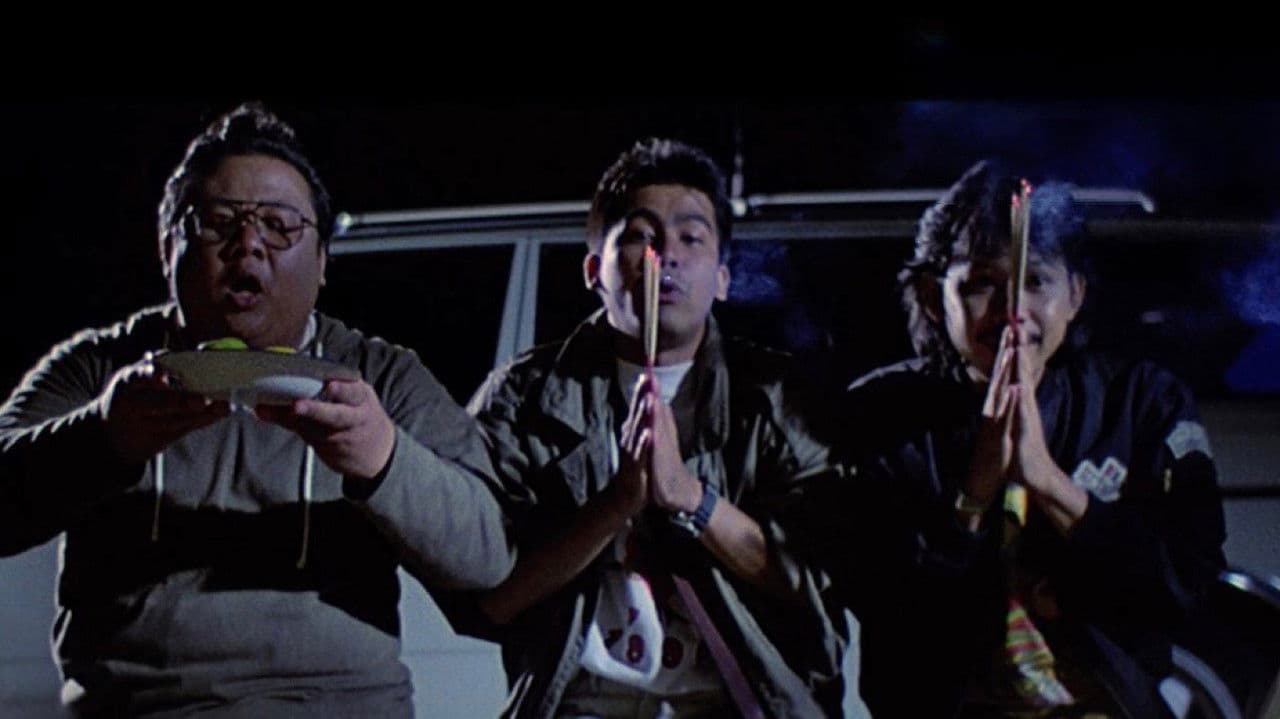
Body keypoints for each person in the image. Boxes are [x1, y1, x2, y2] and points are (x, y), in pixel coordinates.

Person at [0, 103, 513, 717]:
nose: (248, 246)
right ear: (167, 248)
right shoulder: (100, 368)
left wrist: (383, 458)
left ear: (322, 261)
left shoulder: (378, 376)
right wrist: (103, 437)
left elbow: (489, 555)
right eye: (219, 223)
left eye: (279, 225)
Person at [459, 138, 851, 717]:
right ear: (594, 271)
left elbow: (818, 574)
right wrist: (617, 502)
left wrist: (692, 498)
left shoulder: (776, 398)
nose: (663, 256)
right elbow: (489, 598)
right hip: (583, 702)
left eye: (691, 238)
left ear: (722, 277)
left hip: (736, 702)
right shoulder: (523, 398)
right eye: (640, 235)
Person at [823, 160, 1227, 717]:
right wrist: (975, 491)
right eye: (981, 285)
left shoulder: (1140, 403)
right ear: (933, 298)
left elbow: (1189, 583)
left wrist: (1051, 483)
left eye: (1035, 281)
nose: (1012, 312)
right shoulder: (880, 414)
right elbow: (876, 599)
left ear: (1076, 294)